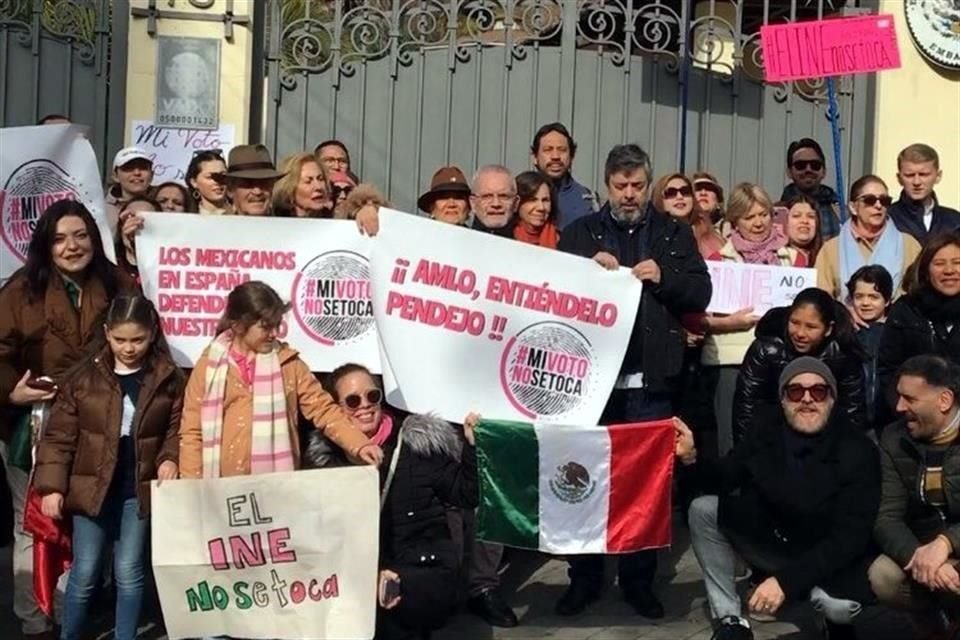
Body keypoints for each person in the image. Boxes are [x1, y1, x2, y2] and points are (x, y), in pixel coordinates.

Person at [557, 143, 711, 619]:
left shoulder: (672, 233)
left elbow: (702, 289)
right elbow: (555, 294)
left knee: (645, 485)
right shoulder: (582, 232)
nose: (629, 194)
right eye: (620, 186)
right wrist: (589, 275)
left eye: (637, 186)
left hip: (651, 382)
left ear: (649, 185)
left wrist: (664, 276)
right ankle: (583, 578)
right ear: (606, 186)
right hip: (592, 385)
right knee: (583, 481)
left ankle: (638, 581)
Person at [0, 200, 132, 640]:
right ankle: (35, 618)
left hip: (100, 421)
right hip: (31, 423)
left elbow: (144, 339)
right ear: (45, 245)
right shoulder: (22, 289)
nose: (72, 246)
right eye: (59, 238)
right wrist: (9, 391)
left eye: (80, 235)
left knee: (83, 520)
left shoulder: (118, 283)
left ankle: (70, 612)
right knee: (33, 521)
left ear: (95, 238)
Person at [680, 357, 880, 640]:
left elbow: (850, 538)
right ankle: (730, 620)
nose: (807, 399)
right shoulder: (765, 429)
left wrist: (786, 582)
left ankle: (824, 614)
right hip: (774, 540)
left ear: (832, 399)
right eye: (795, 391)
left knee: (841, 609)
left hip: (828, 556)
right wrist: (691, 458)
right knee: (703, 509)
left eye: (819, 391)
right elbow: (726, 476)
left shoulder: (857, 449)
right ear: (783, 399)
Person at [33, 296, 183, 640]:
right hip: (90, 491)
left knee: (129, 571)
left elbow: (175, 430)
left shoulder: (166, 377)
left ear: (152, 333)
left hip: (137, 490)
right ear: (106, 333)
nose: (129, 348)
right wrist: (52, 487)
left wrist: (169, 458)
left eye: (137, 340)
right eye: (120, 339)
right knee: (84, 571)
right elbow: (59, 437)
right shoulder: (84, 378)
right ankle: (70, 634)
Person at [303, 363, 478, 640]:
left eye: (372, 396)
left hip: (420, 577)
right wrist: (372, 575)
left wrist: (472, 446)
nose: (365, 406)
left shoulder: (417, 445)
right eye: (352, 400)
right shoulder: (323, 463)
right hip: (356, 582)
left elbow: (466, 494)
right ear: (335, 410)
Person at [178, 281, 382, 480]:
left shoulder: (289, 364)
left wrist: (359, 444)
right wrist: (191, 488)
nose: (274, 334)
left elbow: (323, 409)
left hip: (276, 490)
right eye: (266, 327)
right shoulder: (208, 367)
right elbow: (192, 432)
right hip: (220, 491)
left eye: (277, 325)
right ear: (239, 325)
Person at [698, 183, 804, 456]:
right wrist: (730, 322)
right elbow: (701, 319)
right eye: (749, 217)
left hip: (781, 357)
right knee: (731, 439)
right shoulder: (716, 260)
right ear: (734, 221)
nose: (758, 222)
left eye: (764, 214)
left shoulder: (795, 259)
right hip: (731, 361)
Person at [870, 355, 960, 639]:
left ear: (944, 401)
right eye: (898, 396)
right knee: (883, 576)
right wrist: (922, 558)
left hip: (952, 545)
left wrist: (946, 543)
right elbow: (886, 518)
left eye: (909, 399)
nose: (899, 407)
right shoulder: (893, 439)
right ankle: (935, 631)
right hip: (923, 550)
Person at [735, 288, 867, 442]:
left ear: (828, 329)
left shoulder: (844, 353)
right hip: (773, 438)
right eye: (795, 323)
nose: (800, 333)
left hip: (826, 439)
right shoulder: (766, 349)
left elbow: (853, 411)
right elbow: (747, 407)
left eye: (811, 327)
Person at [877, 232, 960, 425]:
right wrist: (908, 411)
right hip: (913, 422)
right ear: (925, 270)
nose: (949, 270)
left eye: (957, 262)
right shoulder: (906, 310)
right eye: (939, 264)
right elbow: (888, 369)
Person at [818, 175, 921, 303]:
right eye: (870, 200)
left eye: (884, 200)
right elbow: (822, 299)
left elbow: (919, 293)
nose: (878, 206)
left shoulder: (909, 245)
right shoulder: (831, 249)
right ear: (853, 207)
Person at [845, 265, 893, 430]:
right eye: (859, 296)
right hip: (852, 421)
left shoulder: (896, 332)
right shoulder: (845, 331)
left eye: (874, 297)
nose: (865, 303)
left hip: (887, 420)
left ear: (887, 300)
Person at [888, 143, 960, 243]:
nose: (917, 182)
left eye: (924, 175)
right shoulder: (887, 219)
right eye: (909, 175)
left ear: (938, 176)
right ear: (899, 178)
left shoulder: (955, 222)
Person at [530, 122, 596, 229]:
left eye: (562, 150)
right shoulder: (519, 196)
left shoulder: (588, 201)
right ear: (535, 157)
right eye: (548, 150)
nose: (555, 156)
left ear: (571, 157)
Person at [779, 138, 843, 240]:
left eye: (815, 165)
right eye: (800, 165)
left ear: (824, 171)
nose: (808, 169)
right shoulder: (777, 213)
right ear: (789, 172)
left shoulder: (841, 211)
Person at [653, 173, 723, 258]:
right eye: (671, 192)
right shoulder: (650, 236)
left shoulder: (709, 236)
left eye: (685, 191)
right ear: (659, 199)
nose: (679, 197)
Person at [220, 145, 286, 216]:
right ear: (230, 189)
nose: (258, 192)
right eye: (248, 183)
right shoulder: (216, 226)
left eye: (264, 182)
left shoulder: (287, 226)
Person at [106, 148, 154, 234]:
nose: (137, 173)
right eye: (128, 168)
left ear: (152, 175)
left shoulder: (164, 205)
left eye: (143, 168)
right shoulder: (102, 211)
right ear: (115, 176)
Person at [272, 152, 333, 218]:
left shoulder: (336, 223)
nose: (318, 187)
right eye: (308, 181)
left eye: (321, 179)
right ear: (290, 188)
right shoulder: (274, 223)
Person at [512, 170, 559, 248]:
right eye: (532, 200)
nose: (541, 207)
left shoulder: (561, 240)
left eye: (545, 200)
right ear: (517, 203)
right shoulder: (505, 237)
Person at [470, 165, 517, 236]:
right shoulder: (455, 244)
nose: (496, 204)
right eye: (487, 196)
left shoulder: (528, 245)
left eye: (503, 196)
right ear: (473, 203)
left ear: (516, 203)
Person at [783, 193, 823, 265]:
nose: (804, 221)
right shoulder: (772, 257)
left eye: (811, 216)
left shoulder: (827, 255)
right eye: (796, 216)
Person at [185, 150, 228, 215]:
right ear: (194, 182)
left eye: (222, 175)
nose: (218, 181)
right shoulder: (186, 217)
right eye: (210, 177)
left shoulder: (240, 214)